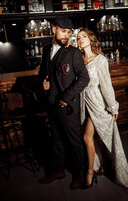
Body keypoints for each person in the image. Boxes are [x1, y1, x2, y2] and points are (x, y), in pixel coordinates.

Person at [76, 27, 128, 189]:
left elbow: (106, 86)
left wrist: (113, 107)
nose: (81, 39)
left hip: (98, 103)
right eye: (78, 37)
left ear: (90, 39)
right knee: (96, 138)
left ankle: (89, 173)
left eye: (84, 36)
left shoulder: (100, 59)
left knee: (87, 138)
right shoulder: (79, 59)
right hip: (83, 102)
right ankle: (102, 165)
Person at [38, 17, 90, 189]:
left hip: (67, 107)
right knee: (57, 140)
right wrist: (43, 84)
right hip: (51, 104)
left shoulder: (73, 52)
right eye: (63, 31)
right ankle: (58, 169)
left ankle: (80, 175)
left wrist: (66, 97)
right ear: (54, 30)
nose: (66, 35)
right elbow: (43, 74)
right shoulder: (46, 50)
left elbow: (84, 78)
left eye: (69, 32)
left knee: (74, 142)